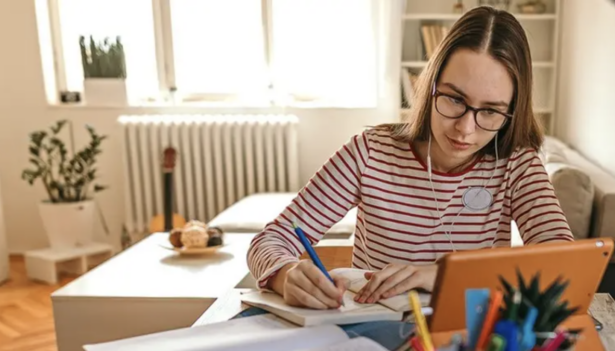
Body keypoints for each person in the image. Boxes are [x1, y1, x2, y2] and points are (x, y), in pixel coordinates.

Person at [246, 6, 574, 311]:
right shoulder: (370, 152)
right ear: (429, 87)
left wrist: (442, 275)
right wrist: (286, 275)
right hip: (370, 335)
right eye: (454, 99)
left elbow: (565, 269)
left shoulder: (518, 165)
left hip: (471, 334)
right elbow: (271, 240)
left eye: (489, 111)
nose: (465, 128)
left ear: (512, 112)